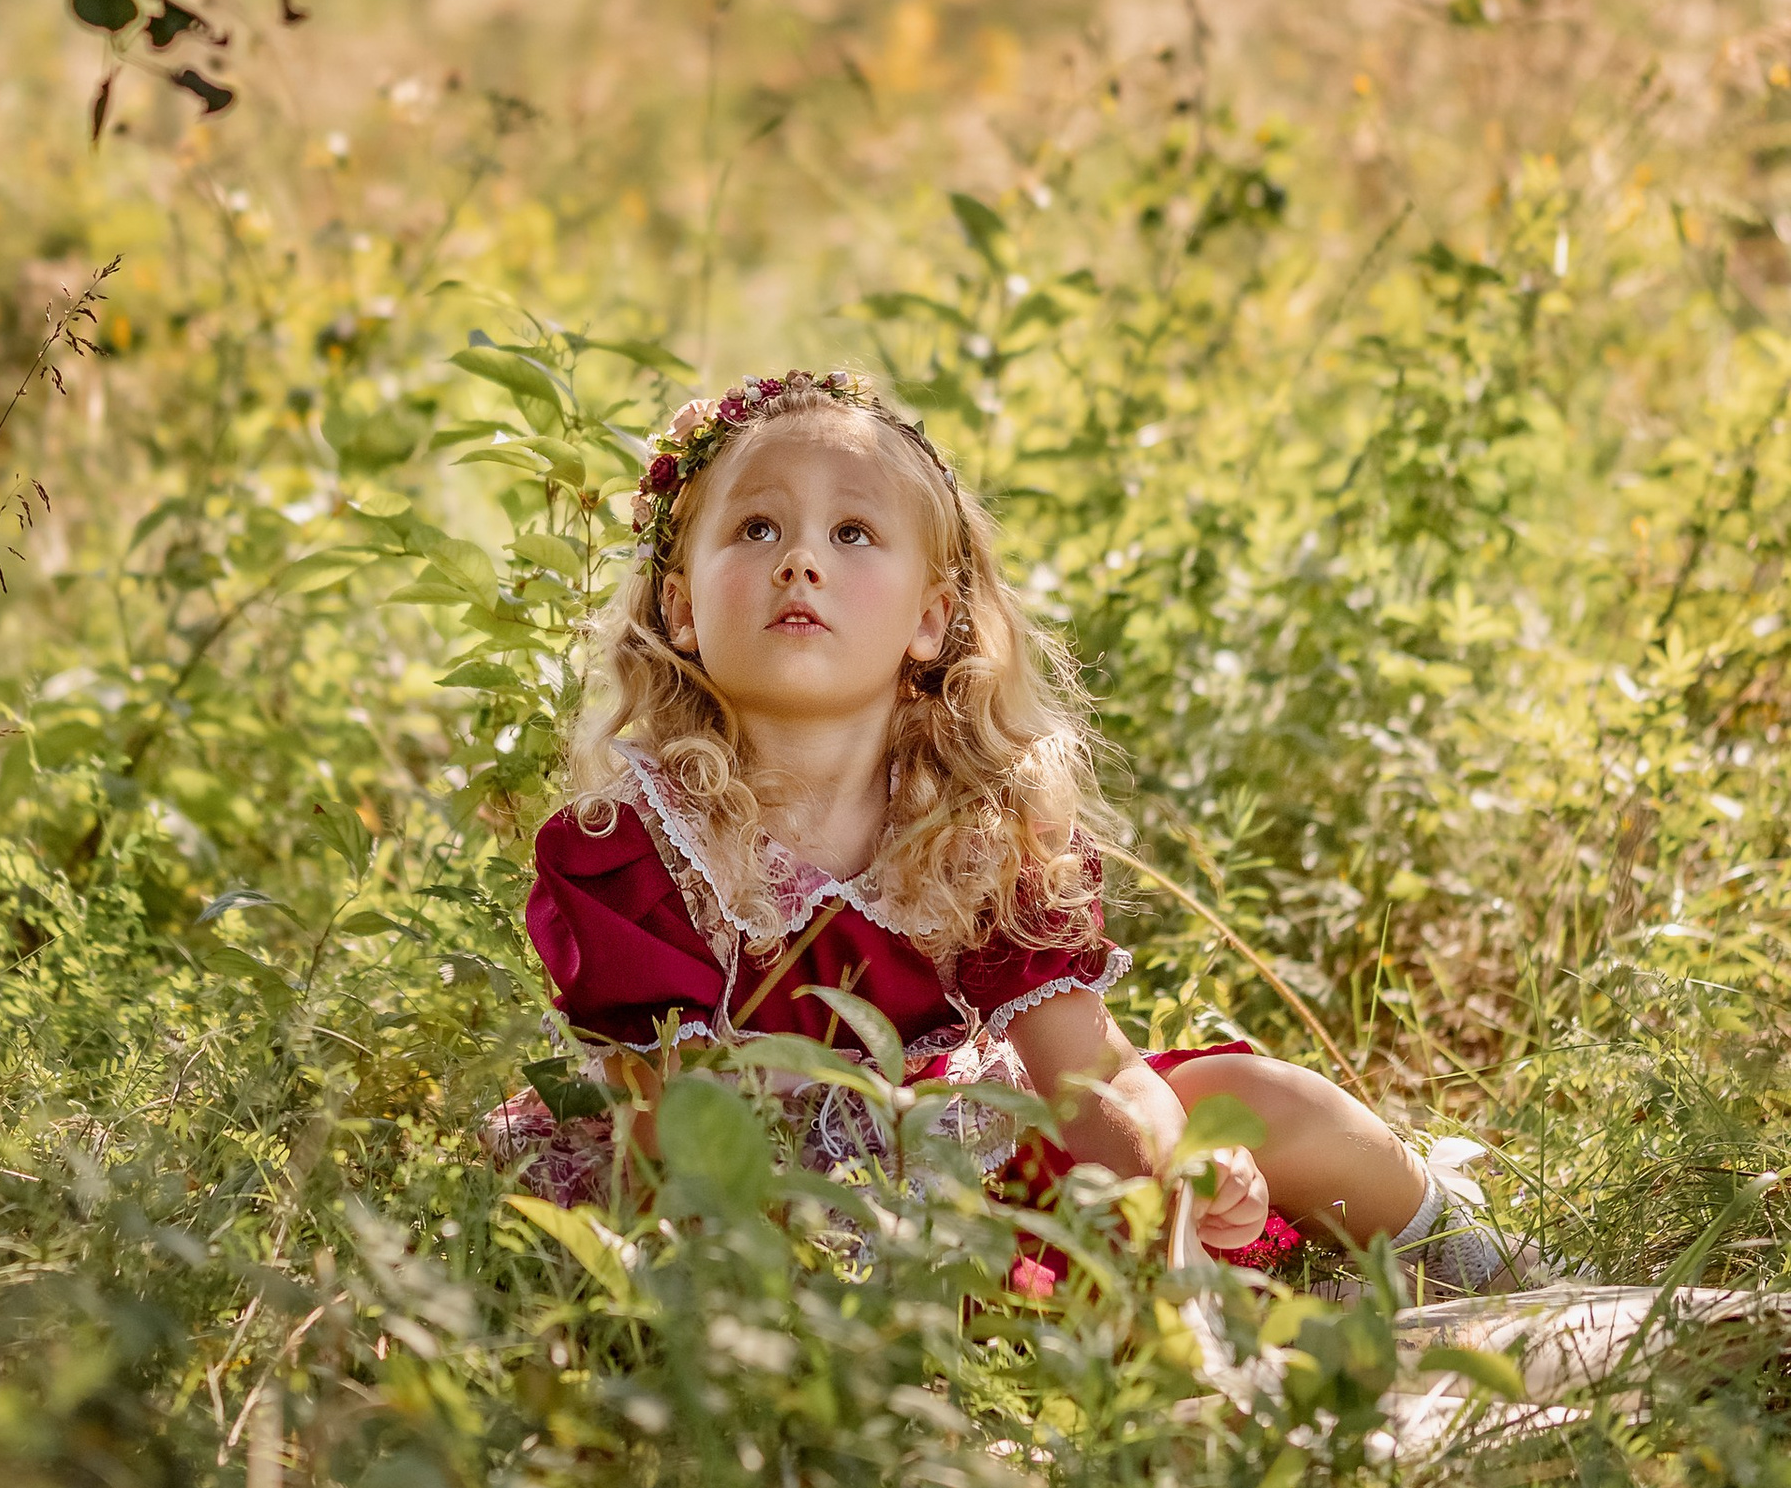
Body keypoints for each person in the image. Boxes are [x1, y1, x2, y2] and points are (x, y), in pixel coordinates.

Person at [507, 367, 1525, 1294]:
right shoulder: (636, 851)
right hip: (771, 1224)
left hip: (979, 1156)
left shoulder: (972, 830)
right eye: (757, 530)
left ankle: (1488, 1264)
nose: (800, 563)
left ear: (929, 619)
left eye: (852, 534)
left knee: (1259, 1100)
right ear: (679, 609)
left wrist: (1175, 1173)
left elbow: (1092, 1078)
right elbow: (673, 1141)